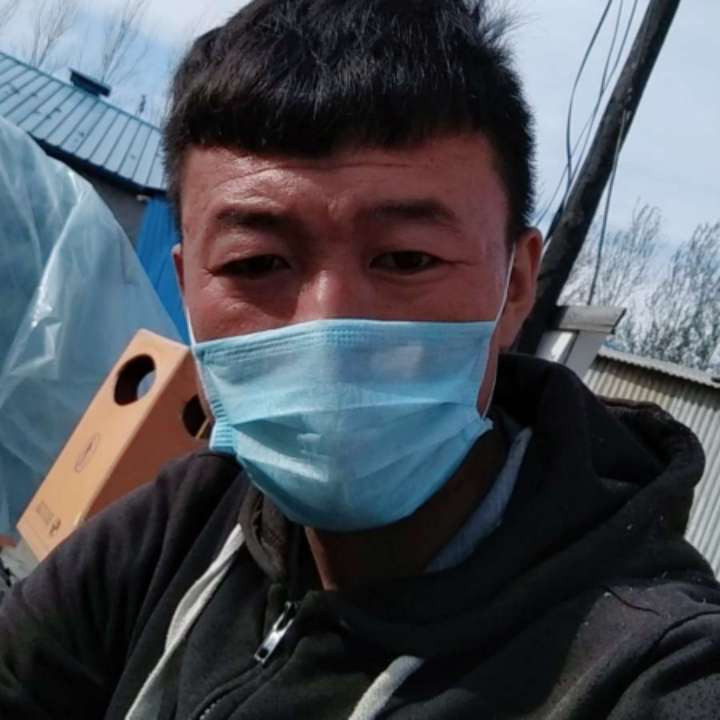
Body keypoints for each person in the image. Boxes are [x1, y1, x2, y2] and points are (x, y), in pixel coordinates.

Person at [2, 1, 720, 717]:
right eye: (256, 263)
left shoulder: (646, 664)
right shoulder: (181, 526)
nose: (329, 327)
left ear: (517, 286)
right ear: (187, 284)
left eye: (407, 259)